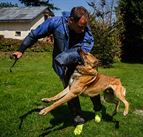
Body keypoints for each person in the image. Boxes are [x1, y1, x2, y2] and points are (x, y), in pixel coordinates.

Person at [12, 6, 102, 135]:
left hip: (82, 63)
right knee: (70, 93)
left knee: (92, 88)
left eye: (85, 26)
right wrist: (21, 49)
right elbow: (34, 34)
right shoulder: (54, 23)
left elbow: (87, 45)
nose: (83, 30)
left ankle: (97, 109)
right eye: (80, 26)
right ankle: (79, 120)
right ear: (71, 20)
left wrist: (68, 57)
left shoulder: (85, 26)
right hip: (63, 65)